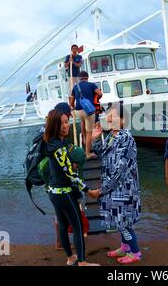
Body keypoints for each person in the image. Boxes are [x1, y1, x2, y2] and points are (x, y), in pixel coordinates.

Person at [43, 108, 100, 266]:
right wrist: (90, 191)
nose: (66, 126)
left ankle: (70, 258)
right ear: (54, 125)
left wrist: (89, 140)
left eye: (67, 122)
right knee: (77, 226)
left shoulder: (51, 142)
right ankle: (82, 262)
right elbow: (71, 174)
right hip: (64, 193)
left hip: (54, 192)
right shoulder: (58, 147)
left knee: (62, 224)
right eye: (62, 123)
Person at [93, 103, 142, 265]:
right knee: (120, 220)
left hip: (124, 189)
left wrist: (103, 189)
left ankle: (135, 252)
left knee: (124, 223)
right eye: (108, 115)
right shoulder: (111, 136)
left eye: (112, 115)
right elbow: (100, 153)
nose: (108, 118)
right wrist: (94, 140)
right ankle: (124, 247)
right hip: (114, 189)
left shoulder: (127, 139)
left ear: (123, 120)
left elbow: (121, 170)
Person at [69, 71, 103, 160]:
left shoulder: (75, 87)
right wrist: (95, 98)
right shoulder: (92, 85)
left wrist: (72, 108)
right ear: (87, 77)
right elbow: (100, 94)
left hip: (78, 111)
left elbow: (71, 101)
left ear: (80, 78)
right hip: (88, 111)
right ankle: (88, 153)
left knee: (83, 122)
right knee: (89, 133)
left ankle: (84, 141)